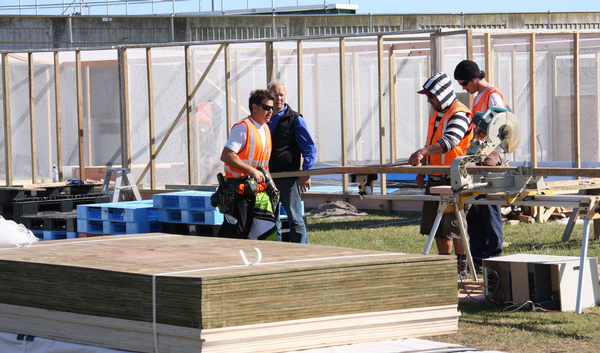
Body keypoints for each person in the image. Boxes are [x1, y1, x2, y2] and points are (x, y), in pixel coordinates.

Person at [408, 72, 473, 280]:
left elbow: (450, 141)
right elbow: (432, 140)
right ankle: (445, 268)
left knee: (456, 226)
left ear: (442, 95)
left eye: (431, 96)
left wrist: (422, 153)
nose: (429, 100)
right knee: (437, 229)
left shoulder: (460, 114)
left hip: (455, 179)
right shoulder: (436, 113)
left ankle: (461, 269)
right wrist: (425, 168)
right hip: (436, 177)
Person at [454, 60, 506, 270]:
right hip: (478, 155)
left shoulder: (492, 95)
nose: (464, 88)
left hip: (489, 156)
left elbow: (502, 126)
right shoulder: (480, 97)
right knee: (476, 208)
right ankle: (478, 255)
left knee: (489, 206)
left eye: (465, 84)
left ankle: (494, 255)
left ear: (475, 79)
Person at [217, 89, 278, 240]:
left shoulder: (265, 129)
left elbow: (262, 165)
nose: (270, 111)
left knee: (259, 234)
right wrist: (251, 171)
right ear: (254, 107)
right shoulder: (243, 128)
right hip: (239, 191)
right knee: (235, 233)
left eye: (272, 108)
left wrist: (273, 186)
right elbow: (226, 155)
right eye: (266, 107)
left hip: (258, 192)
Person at [266, 81, 317, 244]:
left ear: (285, 96)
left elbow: (309, 148)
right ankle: (276, 254)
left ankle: (302, 253)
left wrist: (305, 173)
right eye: (274, 95)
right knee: (270, 221)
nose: (278, 98)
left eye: (281, 94)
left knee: (295, 219)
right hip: (267, 179)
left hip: (288, 178)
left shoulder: (295, 119)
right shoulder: (263, 119)